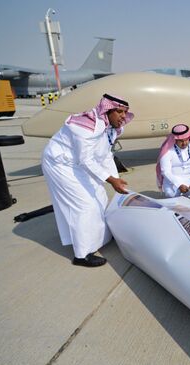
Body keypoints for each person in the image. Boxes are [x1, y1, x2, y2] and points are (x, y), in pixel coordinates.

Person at [42, 94, 133, 267]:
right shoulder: (86, 126)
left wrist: (116, 179)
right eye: (119, 111)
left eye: (125, 112)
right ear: (108, 110)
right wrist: (111, 180)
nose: (123, 116)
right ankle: (82, 255)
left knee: (99, 197)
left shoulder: (111, 128)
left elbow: (105, 155)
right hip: (61, 164)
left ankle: (100, 239)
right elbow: (86, 160)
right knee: (83, 205)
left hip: (78, 163)